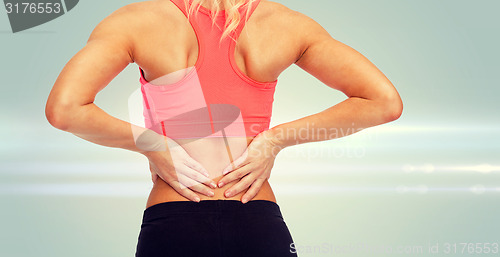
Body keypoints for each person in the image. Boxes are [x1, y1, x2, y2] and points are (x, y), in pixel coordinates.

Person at [45, 0, 403, 256]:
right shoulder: (285, 23)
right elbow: (383, 102)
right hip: (257, 221)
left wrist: (153, 144)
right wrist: (274, 140)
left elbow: (65, 110)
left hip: (174, 222)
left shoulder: (139, 19)